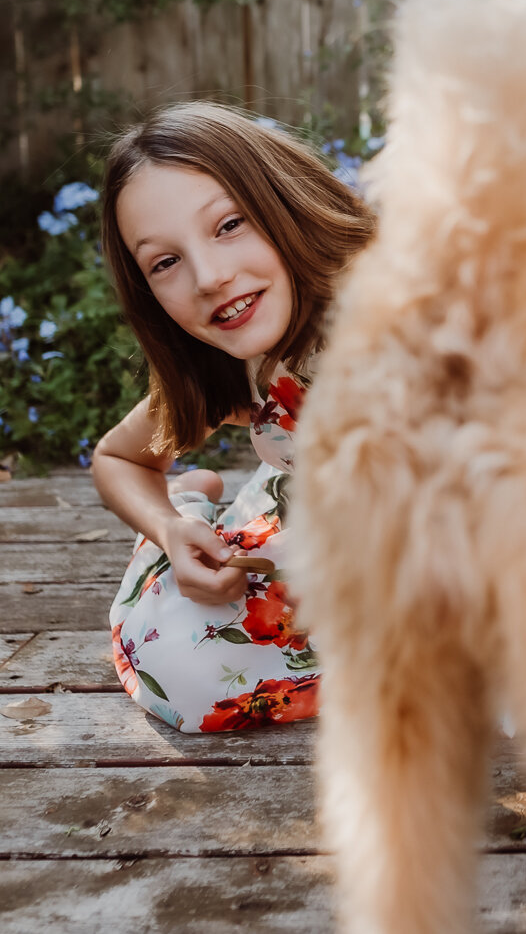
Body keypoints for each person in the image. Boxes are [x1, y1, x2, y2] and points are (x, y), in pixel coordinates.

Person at [90, 102, 373, 731]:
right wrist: (168, 528)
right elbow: (117, 458)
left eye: (229, 224)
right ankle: (198, 504)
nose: (211, 278)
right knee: (188, 677)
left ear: (283, 199)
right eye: (165, 262)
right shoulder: (236, 363)